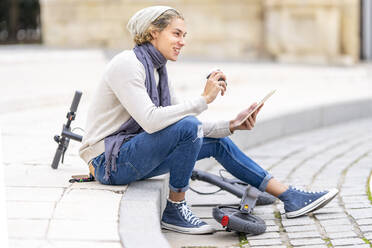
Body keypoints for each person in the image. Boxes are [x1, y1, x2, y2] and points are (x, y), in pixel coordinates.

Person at [79, 6, 338, 235]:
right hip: (108, 163)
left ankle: (289, 196)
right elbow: (152, 121)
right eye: (176, 34)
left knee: (216, 142)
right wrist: (203, 100)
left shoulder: (158, 71)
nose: (182, 42)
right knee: (189, 126)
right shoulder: (127, 64)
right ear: (152, 32)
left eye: (184, 36)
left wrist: (231, 125)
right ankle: (175, 208)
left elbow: (178, 126)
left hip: (134, 153)